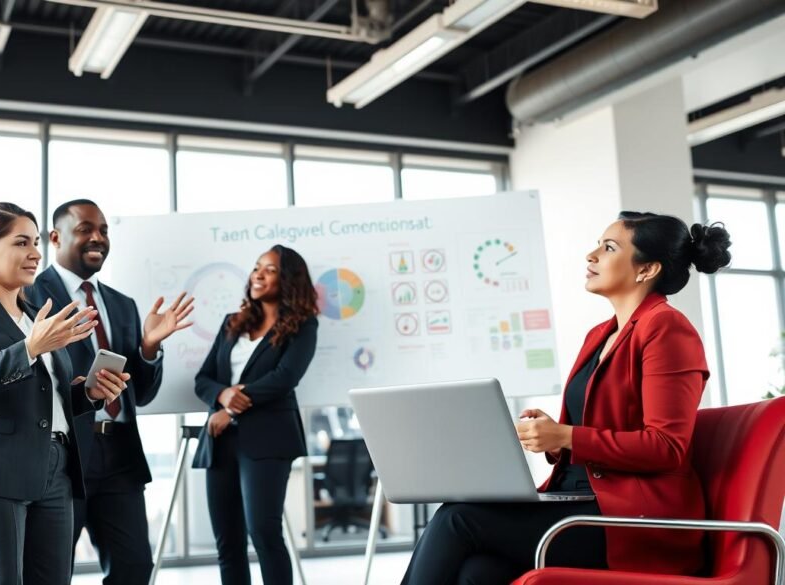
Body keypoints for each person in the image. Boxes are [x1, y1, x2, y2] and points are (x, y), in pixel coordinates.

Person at [401, 211, 733, 585]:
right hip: (580, 504)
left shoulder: (667, 328)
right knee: (478, 573)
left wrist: (565, 436)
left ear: (646, 270)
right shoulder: (600, 334)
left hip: (635, 522)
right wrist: (553, 437)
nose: (591, 256)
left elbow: (666, 446)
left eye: (608, 248)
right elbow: (597, 430)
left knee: (456, 517)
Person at [0, 202, 130, 585]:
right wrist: (29, 348)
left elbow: (47, 398)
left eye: (36, 242)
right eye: (22, 242)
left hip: (55, 468)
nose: (36, 253)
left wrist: (89, 393)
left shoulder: (37, 315)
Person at [26, 199, 193, 585]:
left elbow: (143, 393)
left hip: (119, 456)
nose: (97, 238)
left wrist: (149, 347)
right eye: (86, 229)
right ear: (55, 237)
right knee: (49, 573)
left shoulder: (122, 305)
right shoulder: (34, 295)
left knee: (134, 570)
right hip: (63, 456)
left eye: (103, 230)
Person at [193, 244, 320, 585]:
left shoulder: (303, 326)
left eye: (270, 269)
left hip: (268, 439)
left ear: (289, 279)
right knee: (228, 542)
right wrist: (223, 395)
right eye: (256, 267)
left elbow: (284, 378)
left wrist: (231, 407)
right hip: (219, 441)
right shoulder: (231, 323)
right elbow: (203, 379)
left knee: (264, 532)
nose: (258, 274)